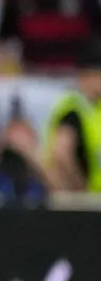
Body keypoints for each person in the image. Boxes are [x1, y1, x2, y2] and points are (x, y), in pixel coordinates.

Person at [43, 43, 101, 192]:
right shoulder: (73, 110)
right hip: (86, 204)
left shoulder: (93, 108)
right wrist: (81, 191)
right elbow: (61, 154)